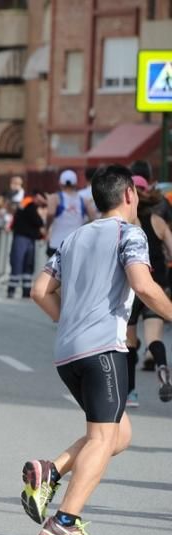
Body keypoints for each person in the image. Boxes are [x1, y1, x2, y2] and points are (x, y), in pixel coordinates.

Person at [23, 165, 172, 535]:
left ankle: (50, 471)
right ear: (128, 195)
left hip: (67, 352)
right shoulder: (130, 233)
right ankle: (65, 521)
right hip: (103, 349)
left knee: (117, 436)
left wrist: (66, 319)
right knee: (104, 438)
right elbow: (143, 285)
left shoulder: (73, 237)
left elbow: (40, 290)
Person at [124, 174, 172, 408]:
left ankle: (131, 393)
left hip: (133, 288)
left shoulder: (126, 224)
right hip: (157, 287)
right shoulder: (158, 221)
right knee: (154, 338)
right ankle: (162, 368)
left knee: (130, 341)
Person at [6, 191, 47, 299]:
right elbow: (38, 221)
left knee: (24, 264)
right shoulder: (30, 205)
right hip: (24, 238)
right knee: (22, 264)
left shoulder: (25, 204)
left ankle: (20, 290)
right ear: (37, 197)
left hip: (24, 237)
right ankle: (18, 290)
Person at [45, 169, 88, 258]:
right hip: (76, 245)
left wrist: (47, 228)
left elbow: (50, 213)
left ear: (60, 183)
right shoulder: (83, 200)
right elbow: (94, 218)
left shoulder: (55, 198)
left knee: (54, 271)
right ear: (75, 184)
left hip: (57, 244)